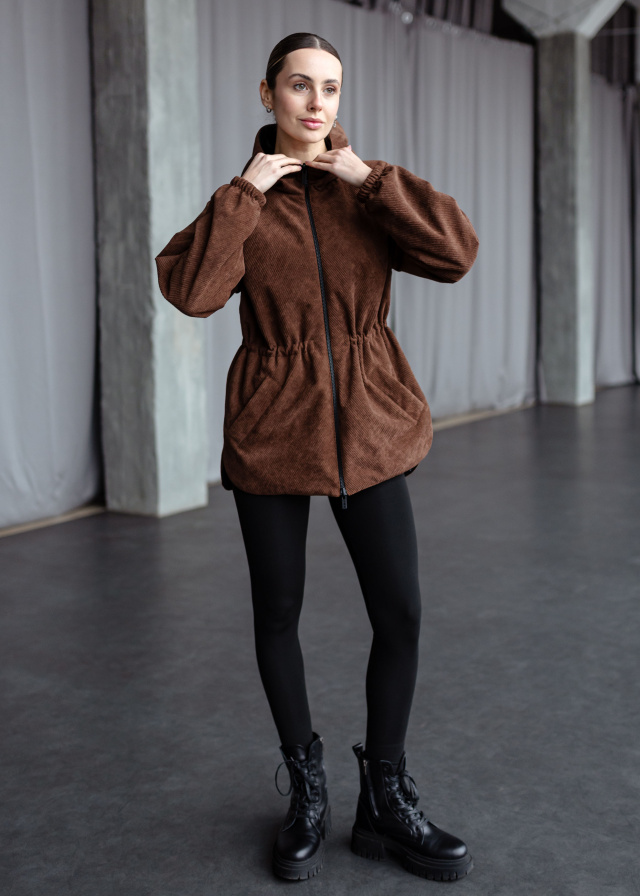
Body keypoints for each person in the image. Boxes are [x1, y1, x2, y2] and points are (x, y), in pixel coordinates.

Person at [155, 31, 479, 884]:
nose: (316, 103)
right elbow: (189, 291)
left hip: (370, 429)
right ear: (268, 95)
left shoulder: (365, 189)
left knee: (400, 613)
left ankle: (385, 801)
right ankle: (306, 791)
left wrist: (370, 180)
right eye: (299, 86)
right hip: (272, 430)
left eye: (330, 88)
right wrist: (245, 193)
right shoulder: (245, 200)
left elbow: (456, 254)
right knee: (277, 613)